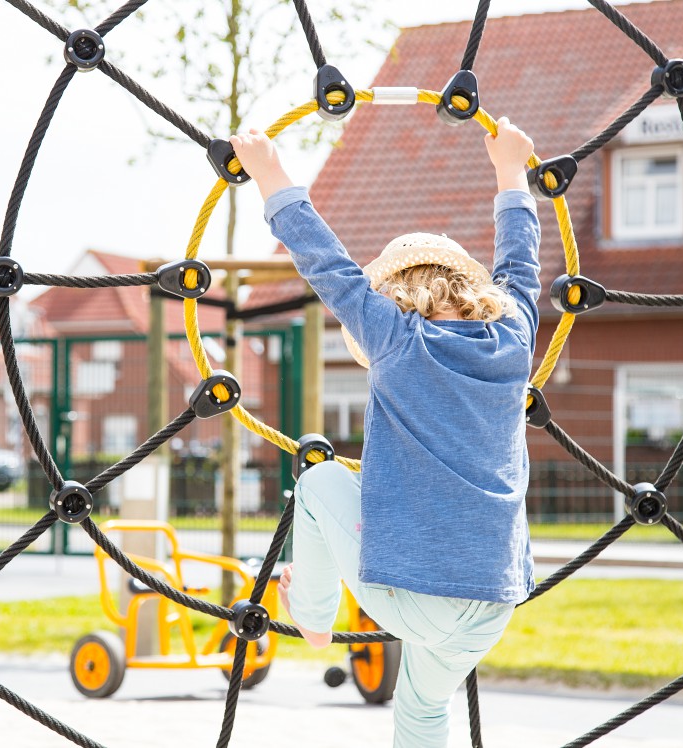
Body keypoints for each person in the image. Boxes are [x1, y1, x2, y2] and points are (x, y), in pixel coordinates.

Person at [229, 117, 541, 747]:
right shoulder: (516, 337)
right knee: (422, 712)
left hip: (415, 595)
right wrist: (512, 170)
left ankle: (313, 619)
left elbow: (328, 266)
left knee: (318, 481)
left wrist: (270, 174)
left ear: (397, 296)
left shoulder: (398, 338)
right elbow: (521, 264)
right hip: (493, 601)